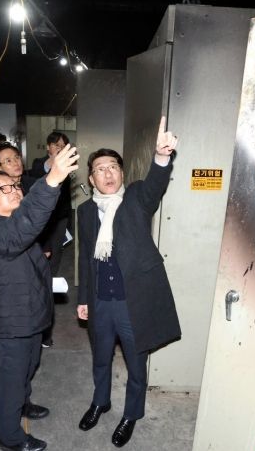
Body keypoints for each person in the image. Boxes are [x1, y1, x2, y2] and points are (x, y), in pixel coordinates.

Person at [76, 116, 181, 448]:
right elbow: (85, 257)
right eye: (100, 169)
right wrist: (83, 298)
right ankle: (100, 401)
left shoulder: (135, 198)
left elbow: (155, 186)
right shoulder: (85, 211)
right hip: (100, 300)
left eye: (113, 167)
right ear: (91, 178)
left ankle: (131, 414)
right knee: (101, 356)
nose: (108, 174)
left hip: (132, 300)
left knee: (136, 363)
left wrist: (161, 157)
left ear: (121, 173)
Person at [0, 144, 79, 451]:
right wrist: (52, 180)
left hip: (31, 320)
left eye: (14, 186)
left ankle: (24, 404)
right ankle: (11, 438)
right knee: (9, 384)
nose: (13, 191)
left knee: (27, 369)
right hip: (11, 328)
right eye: (2, 189)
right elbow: (26, 224)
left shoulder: (13, 228)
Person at [29, 132, 73, 348]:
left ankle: (48, 295)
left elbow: (65, 197)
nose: (60, 148)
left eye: (63, 145)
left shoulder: (68, 168)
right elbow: (41, 172)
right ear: (48, 147)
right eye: (56, 145)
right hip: (41, 222)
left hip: (59, 220)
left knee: (53, 261)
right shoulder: (39, 165)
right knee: (38, 264)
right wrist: (54, 162)